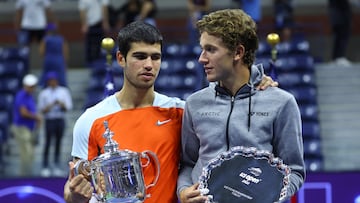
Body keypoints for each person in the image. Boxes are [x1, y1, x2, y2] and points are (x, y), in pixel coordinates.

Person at [63, 21, 277, 203]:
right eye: (140, 56)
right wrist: (74, 194)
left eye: (155, 57)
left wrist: (255, 88)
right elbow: (74, 186)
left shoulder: (181, 112)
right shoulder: (91, 120)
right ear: (121, 59)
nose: (149, 65)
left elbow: (231, 117)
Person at [177, 9, 305, 203]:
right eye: (202, 49)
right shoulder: (195, 103)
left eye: (211, 49)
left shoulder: (282, 103)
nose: (202, 58)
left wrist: (264, 197)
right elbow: (188, 163)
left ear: (238, 52)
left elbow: (294, 171)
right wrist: (184, 190)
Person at [38, 71, 73, 177]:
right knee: (48, 142)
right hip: (50, 119)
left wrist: (61, 104)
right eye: (50, 81)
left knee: (58, 142)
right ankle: (45, 165)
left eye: (54, 80)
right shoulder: (44, 93)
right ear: (48, 82)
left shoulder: (64, 91)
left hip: (59, 119)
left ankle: (56, 165)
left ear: (57, 81)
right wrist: (51, 105)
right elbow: (41, 109)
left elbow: (68, 106)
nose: (52, 82)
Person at [10, 74, 41, 176]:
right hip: (21, 128)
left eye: (33, 86)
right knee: (26, 153)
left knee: (30, 154)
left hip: (29, 128)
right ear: (25, 85)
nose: (32, 88)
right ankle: (24, 176)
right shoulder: (21, 95)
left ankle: (27, 175)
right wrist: (36, 117)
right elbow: (23, 112)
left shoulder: (30, 96)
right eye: (30, 86)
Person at [79, 0, 111, 65]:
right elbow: (82, 11)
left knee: (101, 45)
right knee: (89, 46)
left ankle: (100, 63)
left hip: (100, 24)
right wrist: (84, 24)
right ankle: (90, 64)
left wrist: (105, 22)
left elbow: (104, 8)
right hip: (90, 25)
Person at [39, 23, 69, 88]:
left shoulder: (45, 39)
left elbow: (41, 52)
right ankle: (63, 89)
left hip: (49, 59)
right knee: (61, 77)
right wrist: (65, 63)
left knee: (46, 76)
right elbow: (65, 52)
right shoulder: (61, 39)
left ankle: (44, 88)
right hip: (59, 60)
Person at [328, 0, 353, 67]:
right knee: (342, 37)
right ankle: (340, 57)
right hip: (341, 17)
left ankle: (336, 57)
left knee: (339, 38)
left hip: (336, 16)